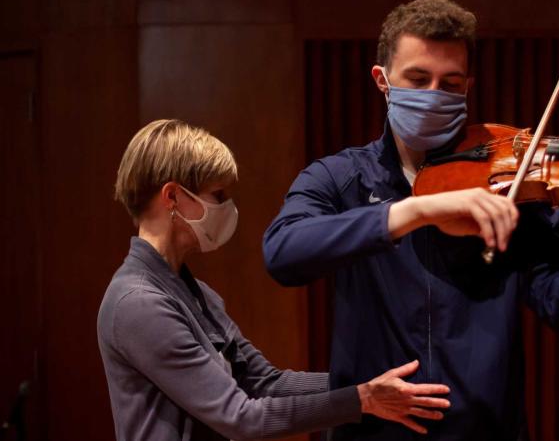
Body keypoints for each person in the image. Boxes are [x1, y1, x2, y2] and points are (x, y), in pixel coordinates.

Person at [263, 0, 559, 441]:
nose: (433, 95)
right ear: (382, 80)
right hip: (374, 434)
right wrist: (413, 211)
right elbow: (283, 252)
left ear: (468, 87)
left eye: (451, 84)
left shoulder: (511, 182)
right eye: (417, 79)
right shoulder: (340, 177)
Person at [97, 119, 451, 441]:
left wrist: (368, 381)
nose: (227, 208)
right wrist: (362, 399)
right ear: (172, 196)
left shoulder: (194, 292)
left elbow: (266, 382)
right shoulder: (140, 303)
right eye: (217, 196)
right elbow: (240, 417)